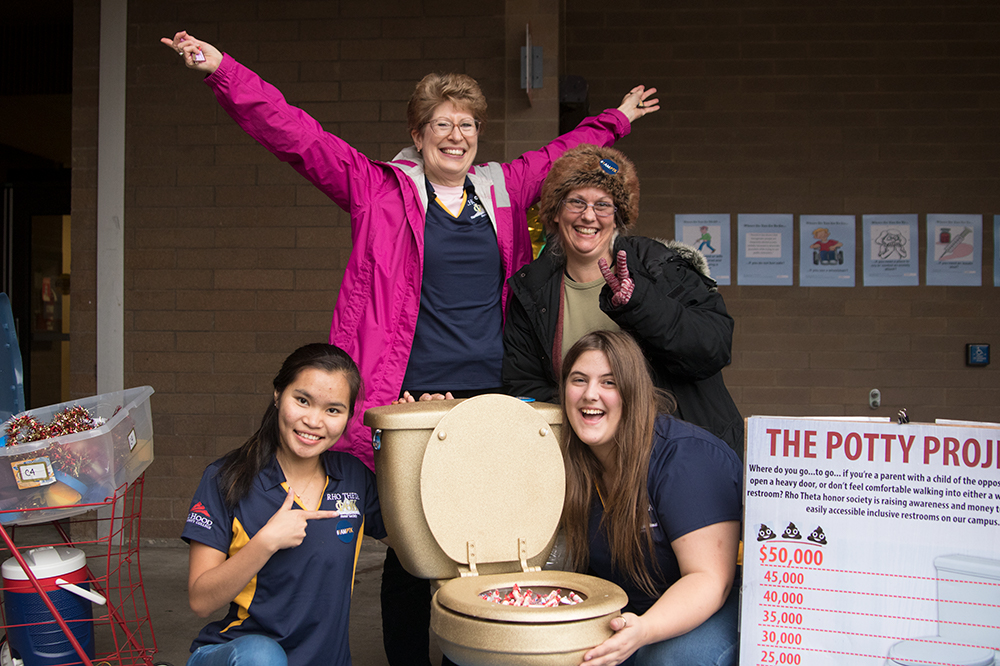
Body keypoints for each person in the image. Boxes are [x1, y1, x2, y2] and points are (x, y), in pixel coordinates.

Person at [161, 31, 659, 666]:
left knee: (491, 544)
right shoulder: (377, 188)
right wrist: (222, 70)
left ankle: (469, 656)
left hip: (492, 396)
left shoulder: (503, 190)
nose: (457, 135)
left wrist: (615, 119)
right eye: (441, 123)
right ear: (418, 135)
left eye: (468, 124)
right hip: (409, 402)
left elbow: (564, 154)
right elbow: (296, 134)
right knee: (412, 548)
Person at [502, 144, 744, 455]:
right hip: (592, 465)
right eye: (576, 202)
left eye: (603, 205)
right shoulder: (531, 290)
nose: (589, 215)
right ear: (555, 212)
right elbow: (526, 388)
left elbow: (713, 347)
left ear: (618, 218)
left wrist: (639, 303)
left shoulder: (658, 266)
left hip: (681, 455)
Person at [181, 343, 386, 666]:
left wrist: (425, 430)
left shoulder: (354, 479)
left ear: (347, 417)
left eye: (333, 410)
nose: (314, 421)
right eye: (302, 400)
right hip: (239, 656)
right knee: (262, 657)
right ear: (278, 395)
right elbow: (200, 600)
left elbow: (419, 542)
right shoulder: (227, 478)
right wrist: (265, 543)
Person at [558, 330, 741, 666]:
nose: (590, 394)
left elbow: (709, 579)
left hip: (712, 603)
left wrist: (643, 630)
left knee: (673, 658)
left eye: (609, 382)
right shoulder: (571, 456)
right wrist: (443, 412)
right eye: (579, 380)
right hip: (630, 609)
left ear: (634, 392)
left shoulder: (685, 458)